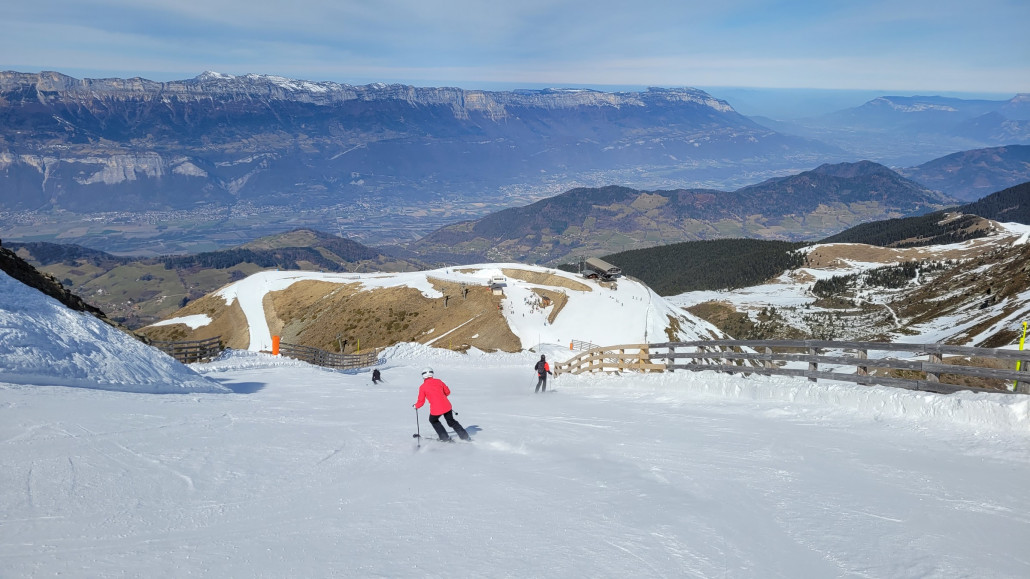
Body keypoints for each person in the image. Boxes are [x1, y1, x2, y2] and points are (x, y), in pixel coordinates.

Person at [413, 367, 470, 441]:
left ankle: (444, 437)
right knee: (451, 421)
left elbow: (421, 401)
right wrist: (441, 396)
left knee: (433, 420)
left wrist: (416, 406)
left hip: (436, 409)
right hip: (447, 406)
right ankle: (465, 437)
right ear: (432, 373)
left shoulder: (422, 387)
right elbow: (447, 392)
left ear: (423, 376)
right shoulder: (439, 381)